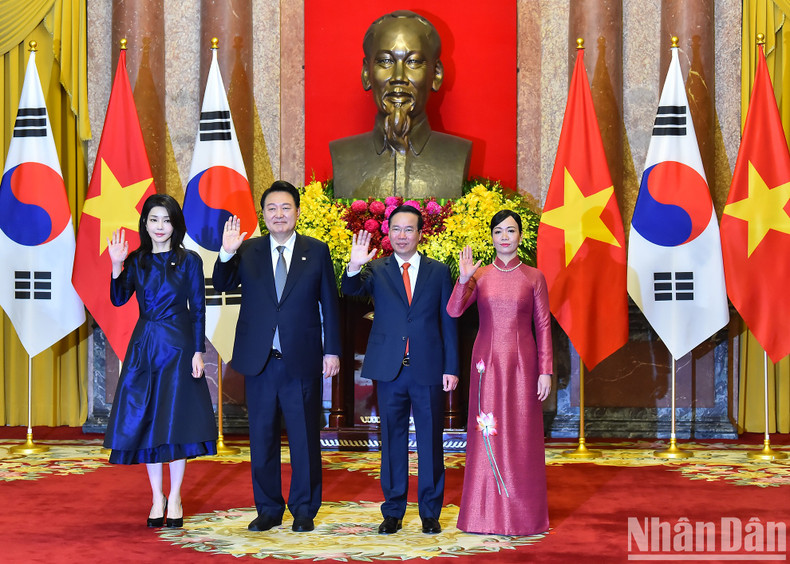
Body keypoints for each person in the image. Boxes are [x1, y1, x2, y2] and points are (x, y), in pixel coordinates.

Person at [212, 180, 341, 533]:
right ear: (263, 214)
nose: (279, 214)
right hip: (260, 361)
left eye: (285, 208)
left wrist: (332, 350)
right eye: (271, 208)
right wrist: (226, 253)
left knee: (304, 439)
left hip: (302, 359)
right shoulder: (247, 249)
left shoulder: (316, 251)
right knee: (262, 438)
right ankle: (268, 508)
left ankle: (304, 509)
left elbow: (330, 304)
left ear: (297, 212)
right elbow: (222, 284)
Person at [341, 204, 459, 535]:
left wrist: (451, 367)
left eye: (409, 229)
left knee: (430, 441)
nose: (402, 235)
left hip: (428, 368)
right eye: (396, 229)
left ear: (420, 233)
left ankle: (430, 512)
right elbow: (350, 291)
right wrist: (354, 266)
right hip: (390, 370)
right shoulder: (376, 269)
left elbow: (448, 322)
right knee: (392, 441)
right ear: (388, 233)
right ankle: (393, 511)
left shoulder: (438, 272)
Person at [103, 193, 218, 529]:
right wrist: (116, 265)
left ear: (175, 225)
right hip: (145, 348)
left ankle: (176, 495)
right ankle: (157, 497)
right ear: (145, 223)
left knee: (176, 423)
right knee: (150, 422)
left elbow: (198, 308)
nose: (160, 226)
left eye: (166, 220)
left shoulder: (189, 260)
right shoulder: (137, 260)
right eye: (153, 219)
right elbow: (119, 298)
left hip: (180, 348)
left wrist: (198, 351)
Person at [446, 210, 553, 536]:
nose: (504, 237)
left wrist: (546, 370)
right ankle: (483, 514)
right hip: (486, 364)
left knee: (522, 434)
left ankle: (523, 515)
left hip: (524, 365)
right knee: (486, 435)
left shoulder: (534, 277)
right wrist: (463, 279)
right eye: (498, 231)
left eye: (510, 231)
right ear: (491, 237)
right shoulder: (480, 275)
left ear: (521, 236)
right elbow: (453, 310)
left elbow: (543, 326)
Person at [330, 10, 471, 200]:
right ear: (366, 73)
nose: (398, 77)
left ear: (436, 74)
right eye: (385, 61)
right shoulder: (343, 155)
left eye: (413, 62)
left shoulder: (457, 154)